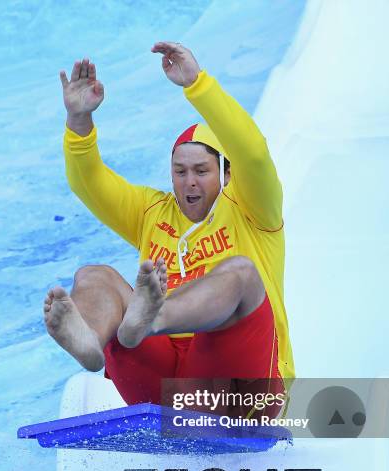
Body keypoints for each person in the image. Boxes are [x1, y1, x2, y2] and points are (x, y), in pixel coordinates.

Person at [44, 42, 294, 417]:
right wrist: (79, 120)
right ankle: (90, 343)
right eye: (180, 171)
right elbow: (89, 183)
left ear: (227, 174)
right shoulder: (152, 212)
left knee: (241, 273)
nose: (189, 182)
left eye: (202, 171)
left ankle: (156, 315)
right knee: (95, 276)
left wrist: (197, 84)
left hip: (240, 394)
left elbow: (254, 153)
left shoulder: (254, 209)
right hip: (162, 390)